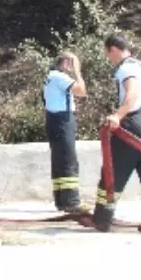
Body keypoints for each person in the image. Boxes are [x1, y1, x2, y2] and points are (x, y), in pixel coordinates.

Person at [92, 34, 141, 233]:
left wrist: (117, 116)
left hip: (133, 123)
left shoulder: (126, 68)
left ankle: (103, 218)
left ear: (113, 49)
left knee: (113, 169)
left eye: (107, 53)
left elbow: (132, 94)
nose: (108, 58)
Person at [42, 51, 88, 212]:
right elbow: (81, 91)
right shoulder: (60, 77)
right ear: (66, 63)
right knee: (68, 160)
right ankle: (71, 201)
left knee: (59, 160)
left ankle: (62, 200)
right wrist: (78, 72)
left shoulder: (51, 76)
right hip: (62, 120)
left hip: (53, 120)